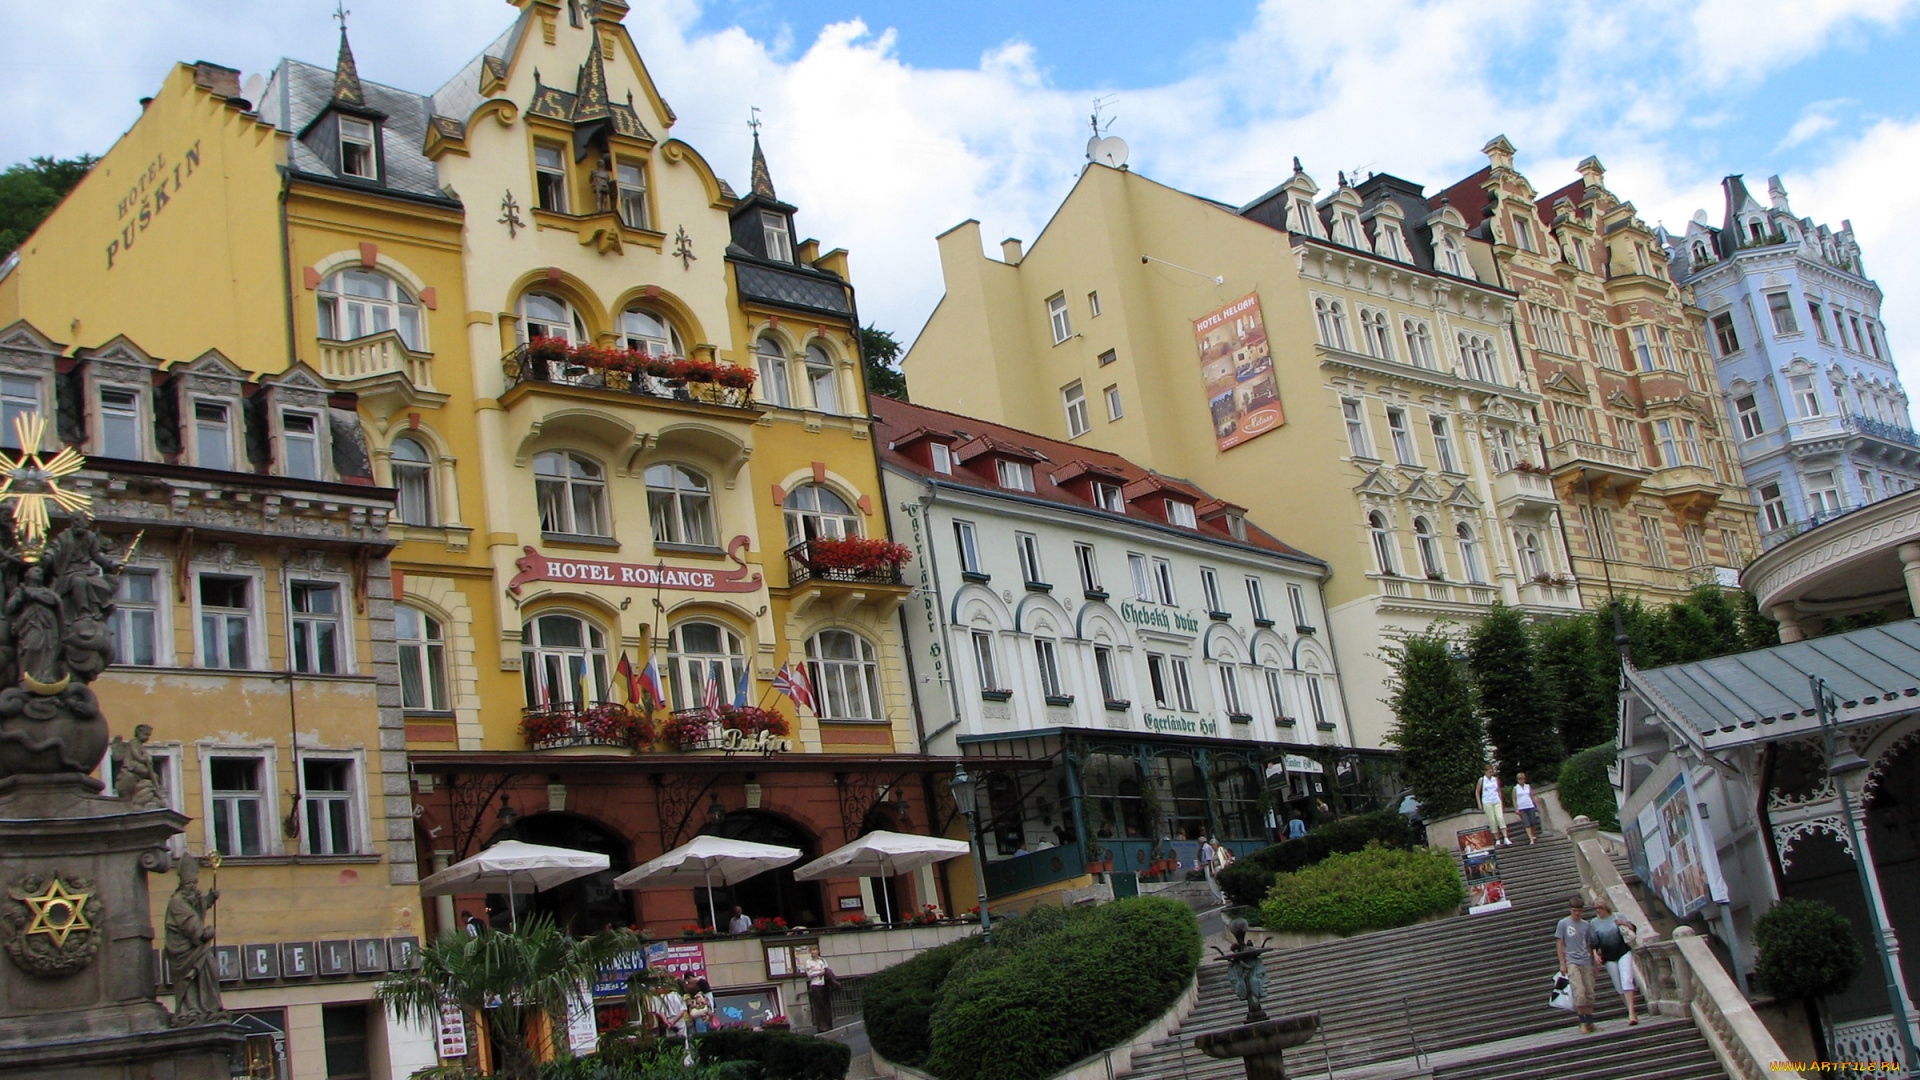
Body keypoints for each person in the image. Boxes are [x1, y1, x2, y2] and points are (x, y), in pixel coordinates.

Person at [1589, 899, 1640, 1025]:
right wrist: (1595, 954)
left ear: (1605, 908)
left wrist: (1623, 923)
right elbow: (1594, 941)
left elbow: (1633, 928)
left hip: (1623, 951)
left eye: (1599, 908)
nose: (1598, 911)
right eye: (1596, 909)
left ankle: (1631, 1013)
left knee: (1626, 979)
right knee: (1618, 985)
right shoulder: (1594, 923)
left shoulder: (1618, 916)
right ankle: (1630, 1009)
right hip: (1608, 956)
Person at [1554, 896, 1600, 1033]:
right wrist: (1562, 963)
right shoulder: (1563, 924)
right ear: (1570, 910)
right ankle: (1582, 1021)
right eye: (1574, 911)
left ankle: (1590, 1021)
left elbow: (1589, 945)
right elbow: (1560, 944)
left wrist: (1594, 963)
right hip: (1572, 960)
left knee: (1589, 992)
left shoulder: (1586, 925)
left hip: (1585, 960)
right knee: (1579, 991)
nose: (1577, 913)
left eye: (1579, 911)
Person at [804, 951, 839, 1032]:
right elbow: (809, 974)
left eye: (815, 951)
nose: (814, 953)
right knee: (819, 1005)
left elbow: (827, 970)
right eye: (812, 951)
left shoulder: (822, 960)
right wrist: (819, 972)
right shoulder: (809, 962)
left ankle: (829, 1024)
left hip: (824, 983)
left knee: (827, 1004)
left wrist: (824, 973)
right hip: (816, 984)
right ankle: (821, 1026)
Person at [1479, 764, 1512, 846]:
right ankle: (1497, 839)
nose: (1491, 773)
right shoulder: (1482, 780)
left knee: (1500, 818)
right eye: (1489, 772)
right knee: (1492, 820)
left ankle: (1505, 837)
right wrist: (1479, 803)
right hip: (1487, 802)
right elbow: (1477, 792)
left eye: (1492, 771)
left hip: (1496, 800)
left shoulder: (1495, 779)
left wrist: (1501, 801)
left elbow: (1498, 790)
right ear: (1485, 772)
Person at [1513, 772, 1541, 844]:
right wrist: (1516, 808)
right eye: (1520, 779)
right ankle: (1531, 838)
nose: (1521, 780)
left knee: (1533, 821)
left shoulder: (1528, 786)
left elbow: (1532, 796)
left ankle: (1533, 834)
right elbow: (1514, 799)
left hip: (1530, 805)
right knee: (1526, 823)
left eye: (1523, 779)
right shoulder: (1516, 788)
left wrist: (1537, 806)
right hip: (1522, 807)